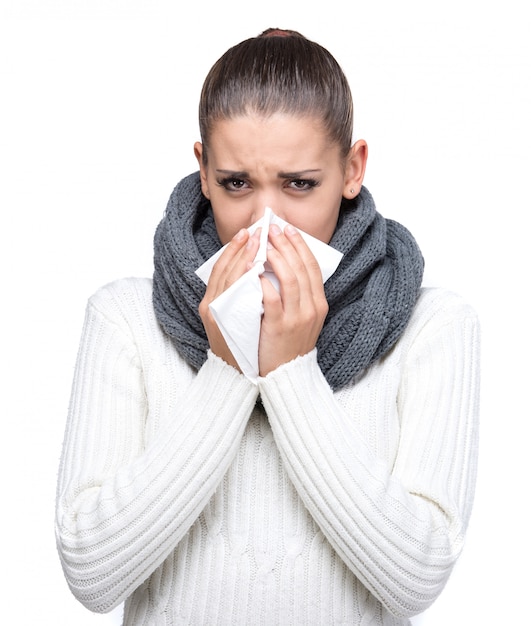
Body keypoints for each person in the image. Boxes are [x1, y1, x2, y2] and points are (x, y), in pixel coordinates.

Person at [55, 28, 480, 626]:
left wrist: (289, 372)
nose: (266, 221)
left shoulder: (431, 328)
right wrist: (228, 367)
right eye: (237, 184)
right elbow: (91, 574)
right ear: (203, 172)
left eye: (300, 184)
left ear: (352, 169)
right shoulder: (125, 320)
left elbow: (416, 579)